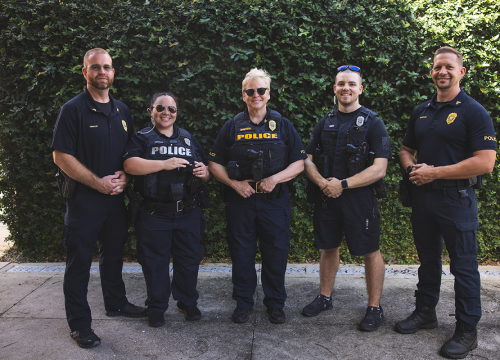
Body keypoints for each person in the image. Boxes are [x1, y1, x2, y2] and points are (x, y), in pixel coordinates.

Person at [396, 46, 496, 359]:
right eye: (438, 67)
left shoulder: (473, 111)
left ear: (461, 72)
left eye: (449, 67)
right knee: (428, 261)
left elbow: (485, 162)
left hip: (457, 200)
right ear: (432, 72)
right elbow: (405, 149)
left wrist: (435, 172)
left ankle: (468, 331)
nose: (443, 72)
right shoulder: (422, 110)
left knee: (464, 268)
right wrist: (412, 168)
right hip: (424, 200)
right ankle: (426, 312)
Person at [51, 48, 146, 348]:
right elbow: (60, 156)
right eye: (95, 68)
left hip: (116, 199)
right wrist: (98, 183)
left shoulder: (122, 111)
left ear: (113, 72)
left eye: (107, 67)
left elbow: (131, 153)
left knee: (113, 255)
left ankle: (116, 303)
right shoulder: (73, 109)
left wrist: (126, 177)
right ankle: (80, 325)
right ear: (85, 72)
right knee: (79, 263)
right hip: (84, 202)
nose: (101, 72)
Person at [208, 68, 306, 324]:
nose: (256, 95)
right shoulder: (231, 126)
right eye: (250, 91)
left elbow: (299, 163)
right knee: (241, 254)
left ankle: (275, 304)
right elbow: (214, 163)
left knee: (276, 253)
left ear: (268, 94)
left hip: (274, 203)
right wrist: (234, 184)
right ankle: (243, 302)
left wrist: (275, 179)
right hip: (241, 202)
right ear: (243, 95)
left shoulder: (283, 125)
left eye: (261, 90)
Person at [301, 65, 391, 332]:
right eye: (341, 84)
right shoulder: (325, 121)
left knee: (370, 250)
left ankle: (374, 308)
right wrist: (321, 183)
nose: (346, 88)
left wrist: (342, 184)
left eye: (352, 84)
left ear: (360, 89)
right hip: (327, 196)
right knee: (328, 247)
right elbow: (306, 158)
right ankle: (325, 298)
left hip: (359, 199)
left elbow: (380, 168)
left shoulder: (373, 122)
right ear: (334, 89)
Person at [123, 92, 210, 327]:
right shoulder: (141, 138)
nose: (166, 112)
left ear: (176, 113)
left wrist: (205, 172)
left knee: (189, 260)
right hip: (154, 214)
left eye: (171, 109)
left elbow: (206, 169)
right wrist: (164, 163)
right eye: (160, 107)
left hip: (188, 212)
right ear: (151, 110)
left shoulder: (188, 139)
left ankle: (187, 302)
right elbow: (129, 165)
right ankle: (157, 306)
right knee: (154, 262)